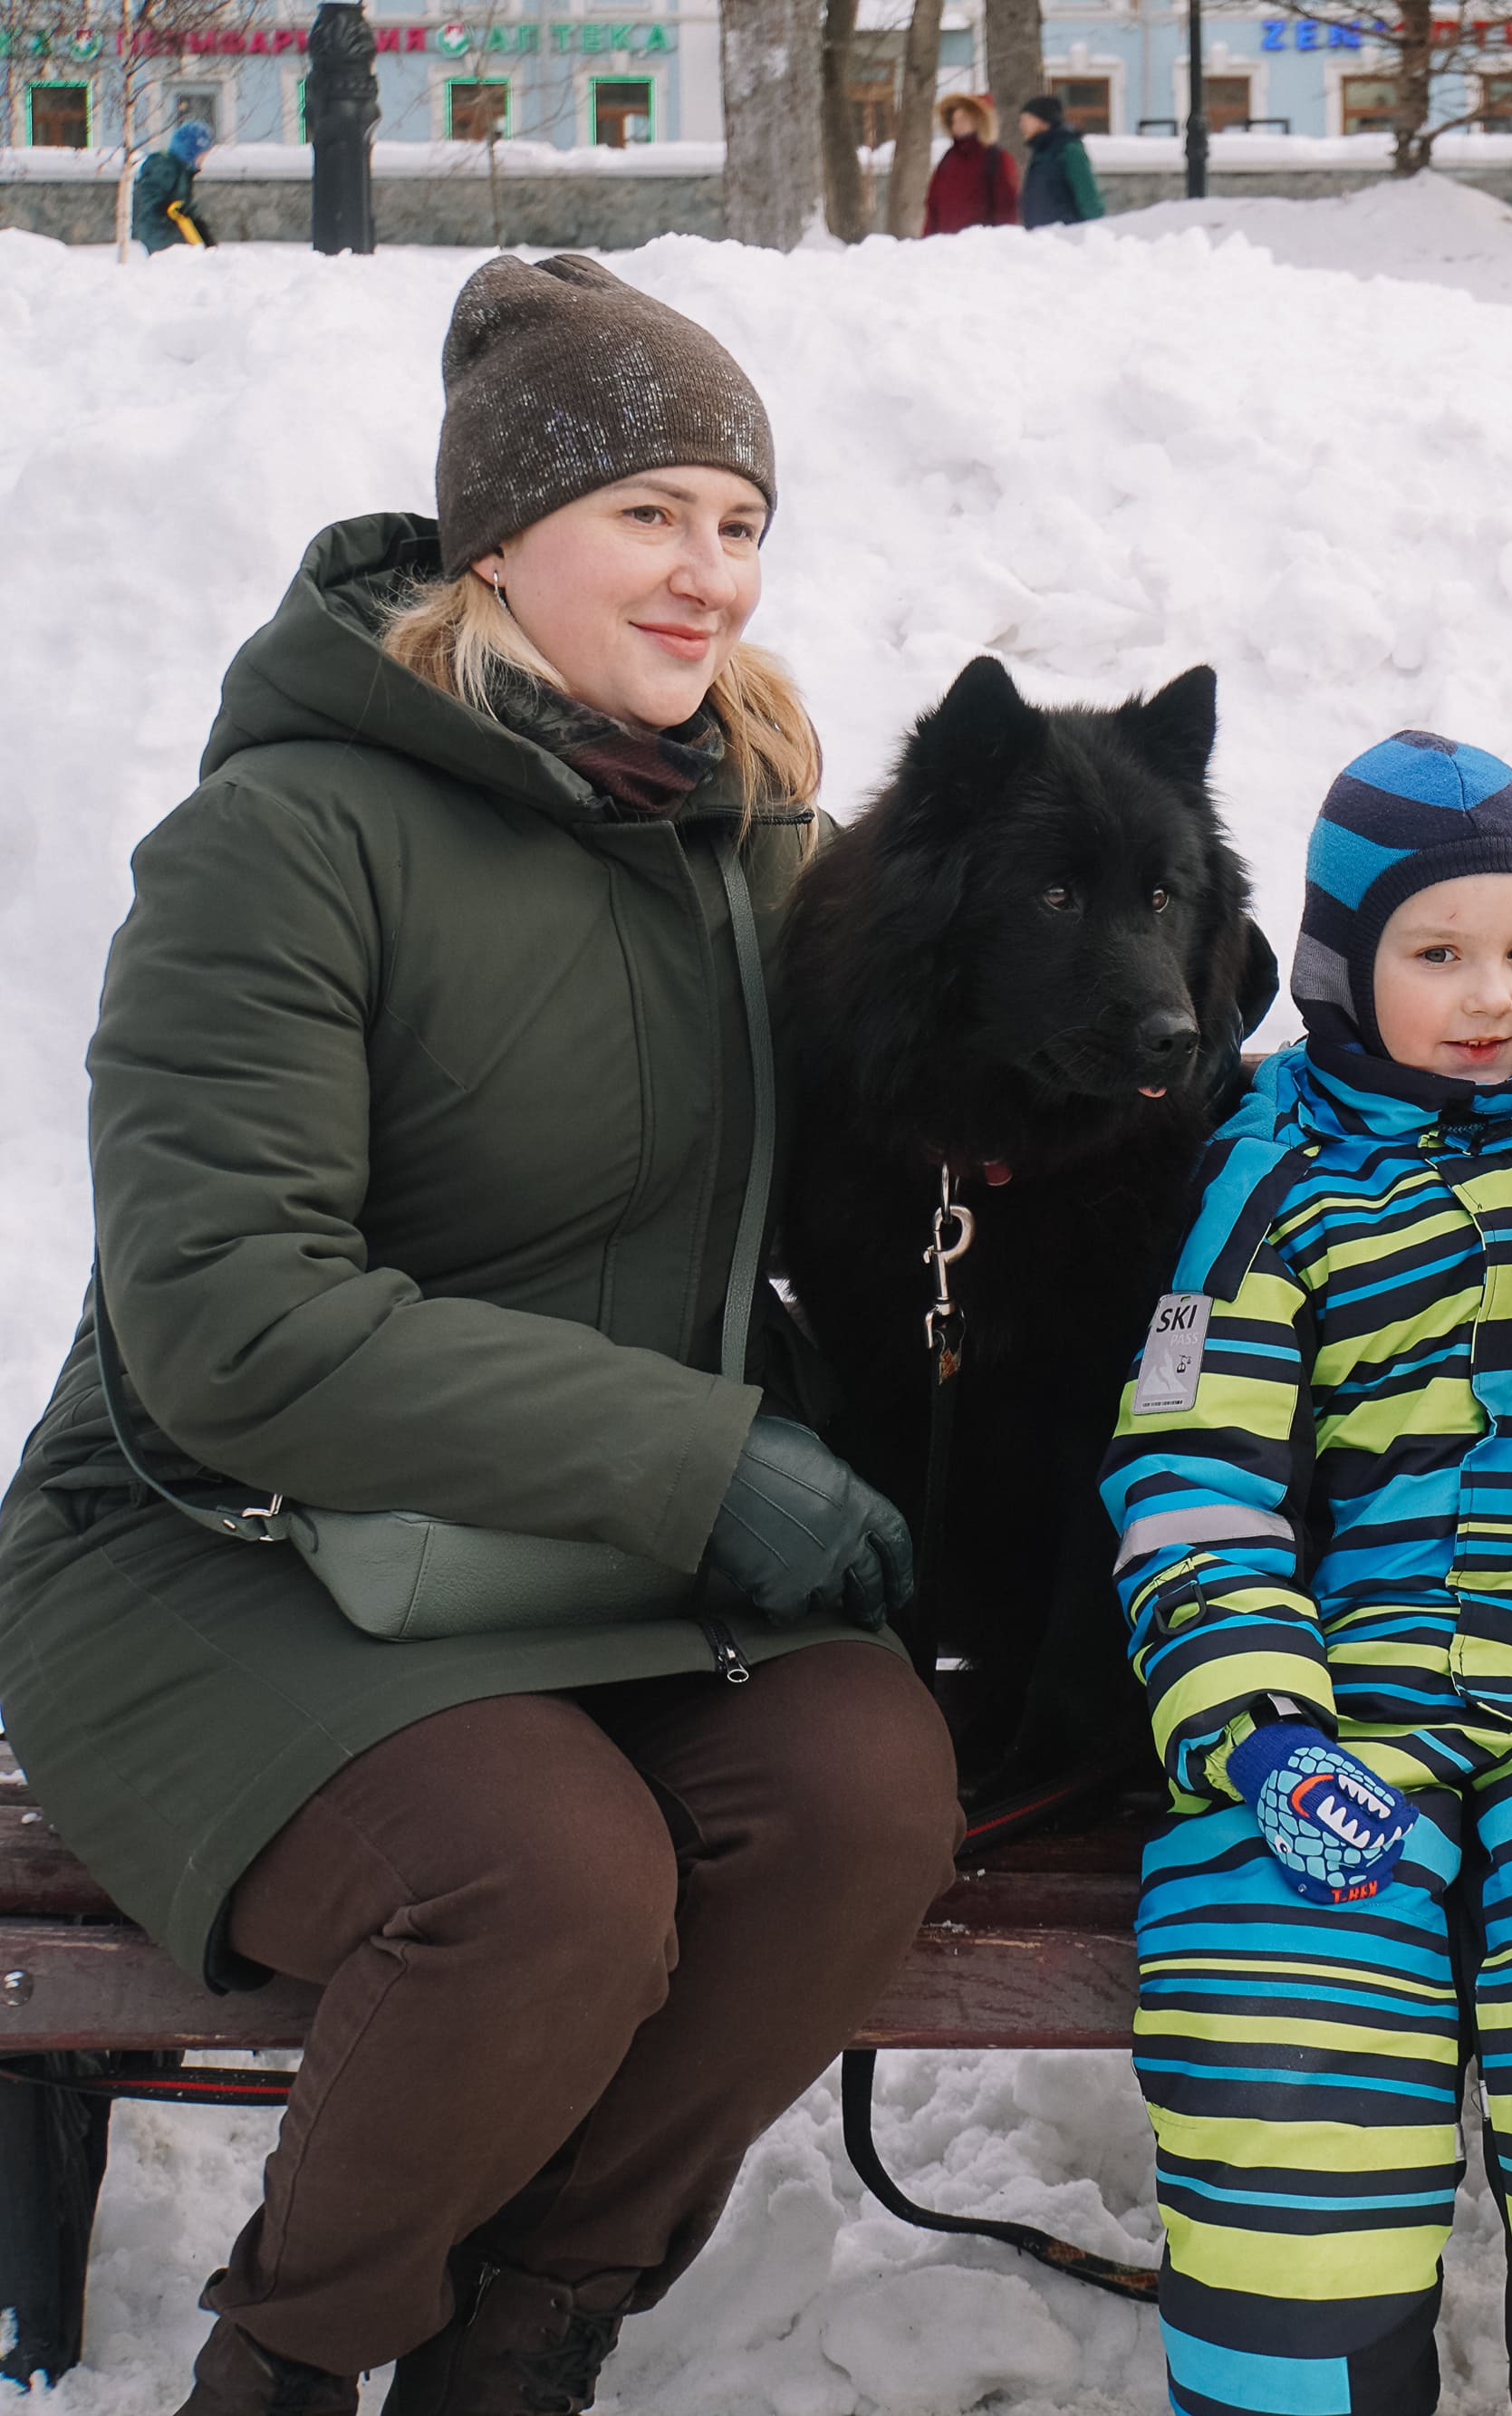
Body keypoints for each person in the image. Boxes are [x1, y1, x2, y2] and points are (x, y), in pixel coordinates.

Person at [0, 255, 957, 2416]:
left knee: (863, 1792)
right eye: (649, 513)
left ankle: (527, 2333)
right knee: (544, 1880)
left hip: (561, 1556)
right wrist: (704, 1469)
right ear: (498, 537)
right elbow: (230, 1321)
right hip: (215, 1547)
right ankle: (293, 2361)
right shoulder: (286, 840)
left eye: (739, 524)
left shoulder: (740, 833)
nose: (707, 573)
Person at [1110, 736, 1512, 2416]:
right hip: (1357, 1696)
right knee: (1278, 2017)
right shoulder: (1269, 1177)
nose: (1495, 996)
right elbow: (1190, 1471)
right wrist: (1258, 1729)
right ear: (1343, 962)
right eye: (1439, 953)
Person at [922, 91, 1024, 234]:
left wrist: (1001, 245)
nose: (957, 124)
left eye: (963, 118)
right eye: (954, 120)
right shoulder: (947, 160)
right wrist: (929, 243)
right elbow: (933, 206)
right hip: (947, 248)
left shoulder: (995, 158)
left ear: (978, 120)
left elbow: (1007, 208)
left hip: (980, 248)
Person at [1016, 92, 1103, 228]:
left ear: (1043, 121)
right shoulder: (1042, 152)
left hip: (1066, 238)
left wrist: (1097, 233)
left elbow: (1088, 198)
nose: (1021, 126)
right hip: (1043, 239)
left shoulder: (1069, 150)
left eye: (1026, 120)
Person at [131, 117, 215, 252]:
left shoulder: (183, 172)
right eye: (201, 155)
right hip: (158, 234)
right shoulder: (165, 167)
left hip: (171, 234)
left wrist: (206, 239)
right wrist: (167, 207)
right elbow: (149, 196)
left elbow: (186, 211)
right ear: (190, 152)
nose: (203, 160)